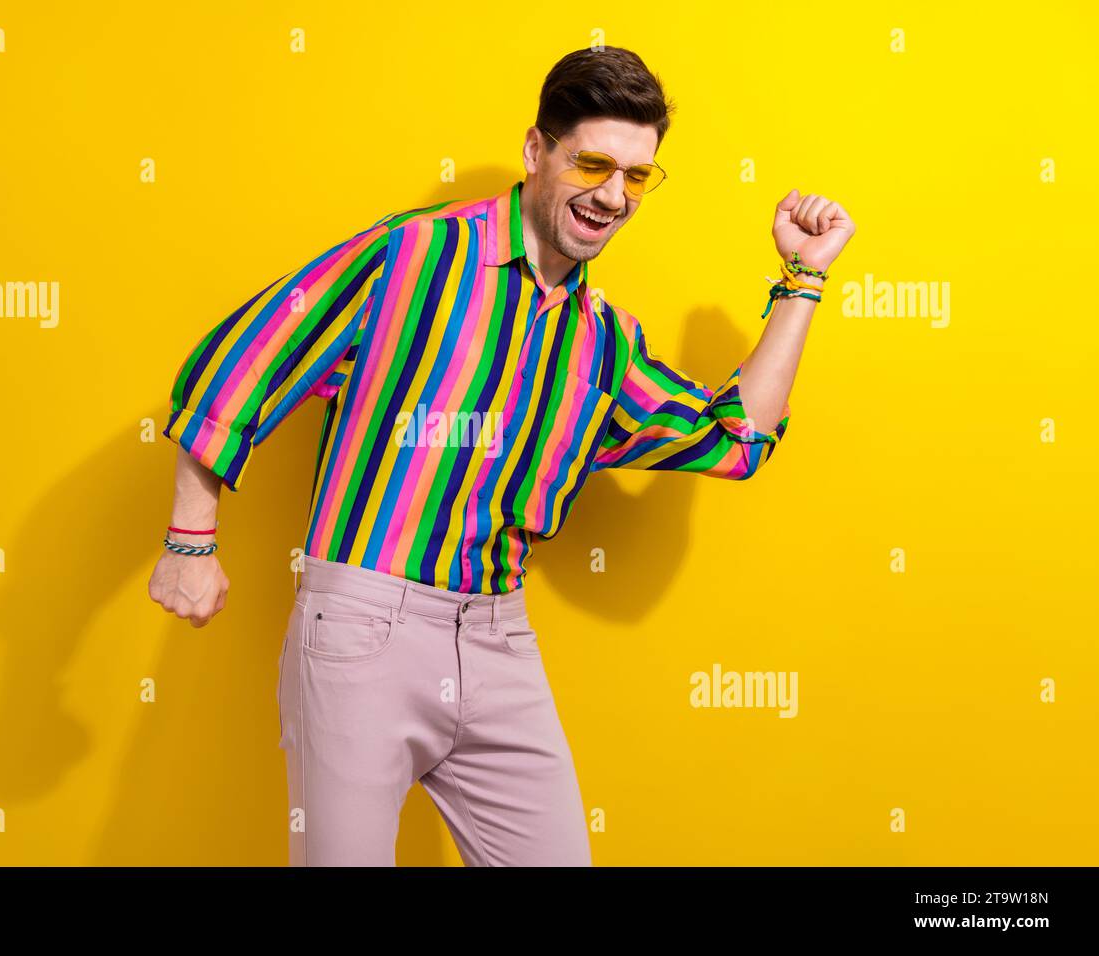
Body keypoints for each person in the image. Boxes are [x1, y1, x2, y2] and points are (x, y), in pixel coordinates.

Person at [147, 46, 855, 866]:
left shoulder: (603, 342)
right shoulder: (412, 256)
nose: (612, 195)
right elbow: (241, 363)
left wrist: (802, 280)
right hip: (363, 628)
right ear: (535, 151)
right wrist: (188, 541)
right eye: (593, 163)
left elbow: (736, 438)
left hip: (498, 638)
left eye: (637, 176)